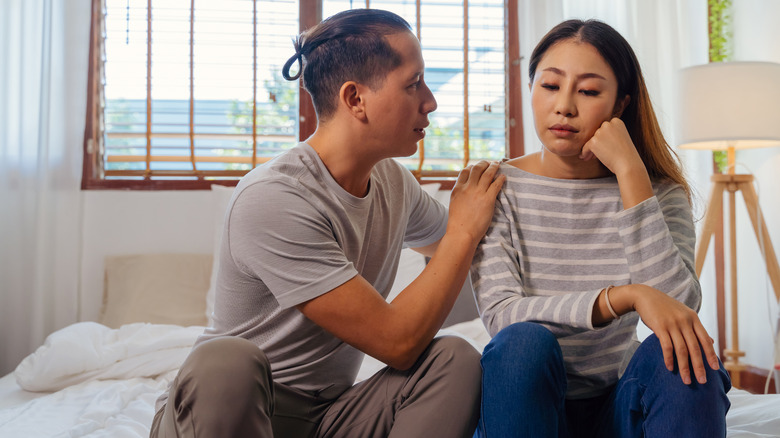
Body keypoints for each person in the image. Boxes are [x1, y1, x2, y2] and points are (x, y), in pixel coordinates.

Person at [149, 8, 505, 438]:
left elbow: (457, 247)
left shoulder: (393, 182)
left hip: (327, 417)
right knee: (228, 361)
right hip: (234, 408)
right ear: (355, 99)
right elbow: (397, 342)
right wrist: (464, 230)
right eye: (413, 84)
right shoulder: (274, 198)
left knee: (454, 358)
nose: (430, 101)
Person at [470, 19, 731, 437]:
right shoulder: (493, 187)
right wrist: (624, 297)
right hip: (527, 406)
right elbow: (503, 316)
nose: (565, 106)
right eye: (550, 85)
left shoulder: (657, 193)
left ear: (620, 105)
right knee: (523, 344)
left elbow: (679, 308)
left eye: (589, 91)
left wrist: (630, 174)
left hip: (618, 406)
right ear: (531, 87)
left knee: (684, 353)